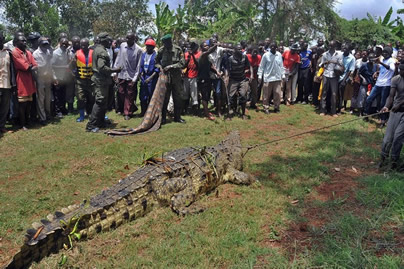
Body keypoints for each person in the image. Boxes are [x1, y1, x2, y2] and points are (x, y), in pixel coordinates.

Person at [86, 32, 121, 132]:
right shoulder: (102, 52)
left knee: (103, 102)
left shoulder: (98, 49)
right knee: (100, 101)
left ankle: (100, 122)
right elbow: (102, 67)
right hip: (100, 80)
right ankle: (91, 125)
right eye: (108, 40)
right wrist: (115, 70)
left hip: (102, 80)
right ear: (104, 41)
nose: (110, 42)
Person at [155, 34, 186, 124]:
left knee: (178, 98)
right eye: (165, 43)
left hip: (176, 77)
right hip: (165, 78)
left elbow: (182, 63)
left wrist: (171, 66)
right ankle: (163, 118)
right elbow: (156, 61)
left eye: (168, 43)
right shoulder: (161, 50)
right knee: (165, 98)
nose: (166, 45)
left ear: (170, 41)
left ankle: (177, 117)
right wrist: (160, 67)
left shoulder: (178, 50)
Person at [379, 62, 404, 170]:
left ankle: (394, 160)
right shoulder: (396, 79)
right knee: (387, 138)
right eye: (400, 70)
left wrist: (399, 104)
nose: (401, 72)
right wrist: (386, 106)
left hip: (403, 112)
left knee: (398, 137)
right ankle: (383, 158)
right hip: (395, 112)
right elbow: (391, 95)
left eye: (403, 70)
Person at [113, 32, 142, 120]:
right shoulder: (122, 45)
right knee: (121, 92)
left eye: (129, 38)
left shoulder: (138, 50)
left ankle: (128, 113)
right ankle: (131, 107)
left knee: (129, 95)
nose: (127, 40)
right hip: (122, 74)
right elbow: (118, 58)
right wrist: (114, 72)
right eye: (127, 38)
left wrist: (135, 79)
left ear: (134, 39)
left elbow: (138, 65)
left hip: (131, 75)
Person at [364, 47, 396, 126]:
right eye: (383, 52)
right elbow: (384, 70)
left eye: (386, 52)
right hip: (378, 83)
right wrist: (377, 72)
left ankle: (383, 120)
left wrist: (380, 63)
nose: (384, 54)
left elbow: (392, 69)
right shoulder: (382, 60)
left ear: (390, 53)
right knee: (369, 99)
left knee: (382, 103)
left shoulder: (391, 60)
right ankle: (366, 115)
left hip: (386, 85)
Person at [12, 35, 38, 130]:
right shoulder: (15, 52)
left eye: (25, 41)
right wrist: (30, 66)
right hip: (21, 80)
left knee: (29, 103)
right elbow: (25, 67)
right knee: (22, 104)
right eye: (22, 41)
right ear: (16, 42)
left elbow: (35, 65)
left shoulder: (27, 52)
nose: (24, 42)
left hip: (29, 80)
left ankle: (27, 121)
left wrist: (30, 67)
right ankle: (22, 124)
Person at [226, 44, 253, 120]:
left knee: (243, 96)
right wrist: (226, 77)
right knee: (230, 97)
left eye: (241, 49)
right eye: (238, 49)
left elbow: (249, 66)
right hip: (233, 79)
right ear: (235, 50)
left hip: (242, 79)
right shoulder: (230, 59)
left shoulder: (244, 57)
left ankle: (243, 114)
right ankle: (229, 115)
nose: (241, 50)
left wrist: (251, 75)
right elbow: (227, 69)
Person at [257, 42, 285, 114]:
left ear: (276, 48)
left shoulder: (279, 55)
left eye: (274, 47)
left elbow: (281, 65)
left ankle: (276, 107)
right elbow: (261, 66)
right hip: (268, 78)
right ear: (270, 48)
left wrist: (283, 74)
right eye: (271, 47)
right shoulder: (266, 55)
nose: (273, 48)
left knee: (277, 94)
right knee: (266, 94)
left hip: (277, 77)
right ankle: (266, 107)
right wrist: (260, 76)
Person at [319, 40, 343, 116]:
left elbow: (341, 65)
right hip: (326, 74)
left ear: (335, 46)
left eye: (332, 46)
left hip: (334, 75)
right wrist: (326, 62)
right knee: (324, 93)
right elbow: (321, 65)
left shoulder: (339, 55)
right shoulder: (325, 54)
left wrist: (335, 62)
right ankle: (323, 110)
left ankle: (333, 112)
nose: (330, 47)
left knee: (333, 94)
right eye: (329, 46)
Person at [73, 38, 94, 122]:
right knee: (80, 98)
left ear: (88, 45)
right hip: (80, 80)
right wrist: (74, 74)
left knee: (92, 97)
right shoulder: (76, 54)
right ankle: (81, 116)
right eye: (82, 45)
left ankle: (92, 113)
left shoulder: (93, 53)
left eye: (85, 45)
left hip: (91, 80)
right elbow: (71, 65)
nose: (83, 46)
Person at [33, 37, 53, 125]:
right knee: (41, 98)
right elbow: (40, 66)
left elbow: (50, 66)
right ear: (39, 44)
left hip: (48, 77)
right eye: (44, 44)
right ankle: (42, 118)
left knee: (48, 98)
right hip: (40, 78)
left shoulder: (48, 51)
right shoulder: (36, 54)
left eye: (46, 44)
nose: (45, 45)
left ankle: (48, 115)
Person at [197, 42, 219, 120]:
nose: (207, 46)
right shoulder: (203, 55)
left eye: (207, 45)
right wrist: (216, 45)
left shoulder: (207, 57)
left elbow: (210, 67)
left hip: (207, 78)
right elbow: (209, 51)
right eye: (205, 46)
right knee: (204, 97)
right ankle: (207, 114)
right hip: (202, 79)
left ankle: (206, 111)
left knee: (207, 96)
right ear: (201, 48)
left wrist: (217, 72)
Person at [0, 32, 16, 133]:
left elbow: (12, 70)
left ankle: (1, 126)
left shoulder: (8, 53)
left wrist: (13, 84)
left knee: (5, 107)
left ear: (3, 38)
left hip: (6, 84)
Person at [139, 38, 159, 116]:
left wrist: (150, 78)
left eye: (150, 46)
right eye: (147, 46)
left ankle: (150, 112)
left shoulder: (156, 56)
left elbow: (157, 69)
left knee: (151, 95)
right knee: (142, 95)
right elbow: (141, 66)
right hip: (144, 77)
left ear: (153, 47)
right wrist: (141, 75)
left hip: (152, 78)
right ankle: (143, 111)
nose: (148, 48)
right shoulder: (143, 55)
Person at [52, 37, 71, 118]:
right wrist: (54, 77)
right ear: (59, 43)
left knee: (63, 94)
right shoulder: (55, 53)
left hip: (65, 77)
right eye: (62, 43)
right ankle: (57, 111)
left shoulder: (67, 52)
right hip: (58, 77)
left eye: (66, 44)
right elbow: (52, 66)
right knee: (57, 95)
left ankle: (63, 108)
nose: (64, 45)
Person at [183, 39, 201, 114]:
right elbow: (184, 65)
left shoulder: (199, 54)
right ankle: (185, 109)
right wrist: (189, 57)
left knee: (194, 95)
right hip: (186, 76)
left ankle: (195, 110)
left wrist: (193, 55)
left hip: (194, 76)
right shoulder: (186, 54)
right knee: (185, 94)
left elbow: (198, 64)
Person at [338, 43, 355, 113]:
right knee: (334, 93)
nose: (344, 50)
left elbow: (350, 70)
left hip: (344, 78)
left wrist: (344, 81)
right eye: (344, 48)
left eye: (346, 49)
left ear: (349, 50)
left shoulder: (352, 58)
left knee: (341, 94)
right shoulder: (340, 55)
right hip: (336, 76)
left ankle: (338, 109)